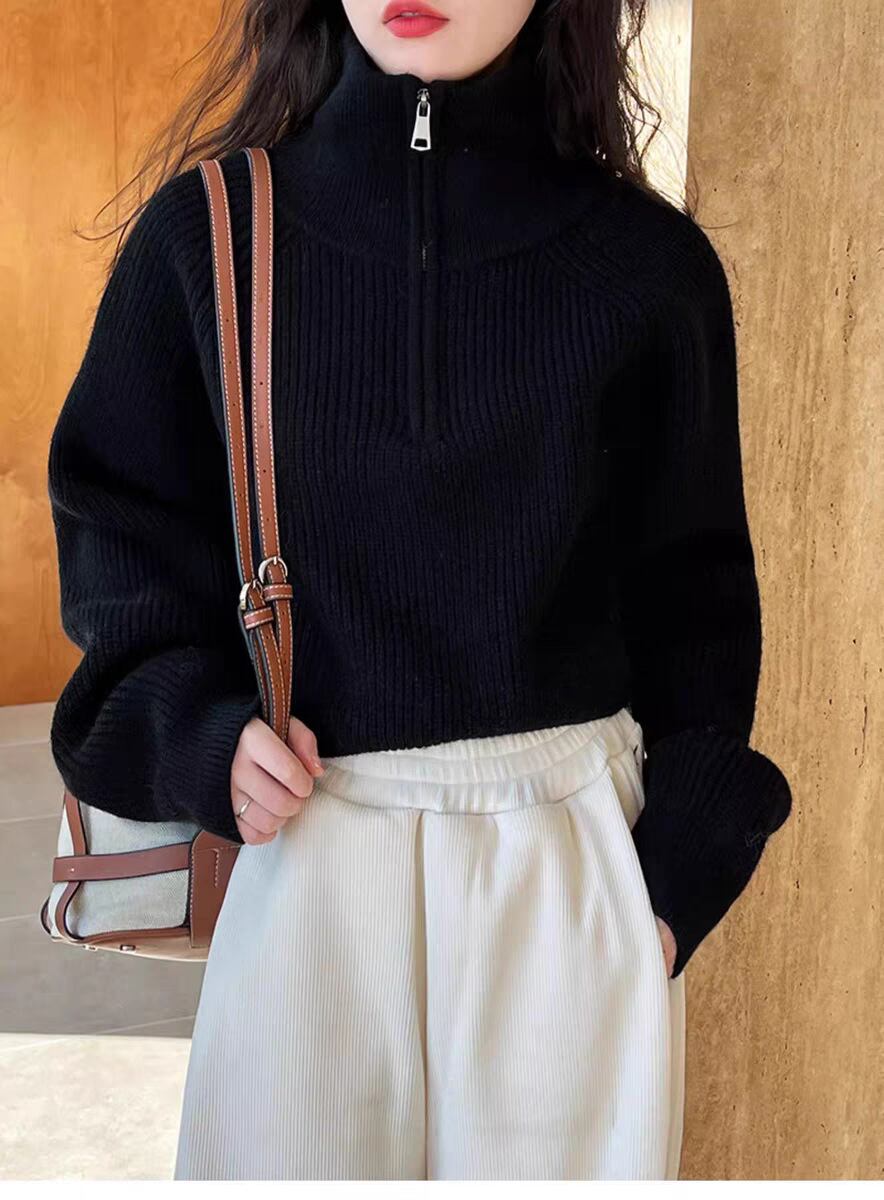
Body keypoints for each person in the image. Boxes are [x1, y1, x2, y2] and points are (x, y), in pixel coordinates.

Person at [46, 0, 793, 1181]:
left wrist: (663, 892)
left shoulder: (646, 270)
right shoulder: (206, 240)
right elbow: (120, 544)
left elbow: (696, 601)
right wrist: (194, 733)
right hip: (301, 849)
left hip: (571, 870)